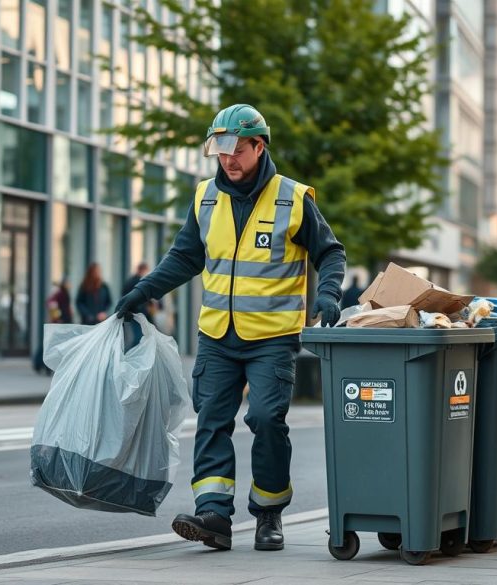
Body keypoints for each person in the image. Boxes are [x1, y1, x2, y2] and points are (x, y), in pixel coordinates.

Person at [115, 104, 346, 552]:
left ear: (260, 146)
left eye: (237, 150)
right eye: (220, 151)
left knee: (265, 419)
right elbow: (185, 257)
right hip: (218, 336)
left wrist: (329, 295)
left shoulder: (292, 198)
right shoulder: (205, 198)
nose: (227, 160)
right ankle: (214, 514)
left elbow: (330, 253)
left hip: (272, 338)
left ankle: (269, 513)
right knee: (212, 421)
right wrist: (142, 290)